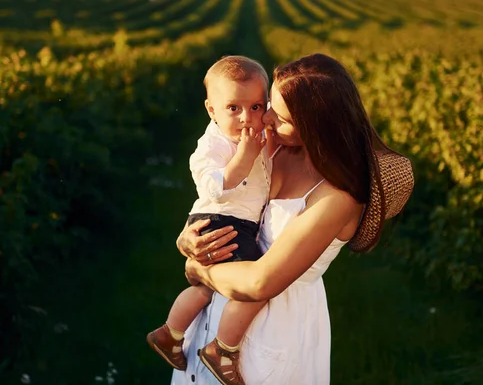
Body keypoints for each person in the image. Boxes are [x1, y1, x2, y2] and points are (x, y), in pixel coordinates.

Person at [170, 53, 415, 385]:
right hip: (216, 313)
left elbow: (261, 282)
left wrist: (198, 268)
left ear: (316, 127)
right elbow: (224, 202)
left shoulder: (336, 197)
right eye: (268, 105)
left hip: (275, 327)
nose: (266, 118)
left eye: (280, 116)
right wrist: (188, 239)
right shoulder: (275, 150)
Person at [147, 56, 273, 383]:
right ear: (211, 110)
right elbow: (213, 186)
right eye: (234, 108)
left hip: (227, 220)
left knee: (205, 287)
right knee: (252, 286)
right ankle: (223, 349)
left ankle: (171, 334)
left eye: (257, 107)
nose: (247, 118)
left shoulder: (254, 136)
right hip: (222, 220)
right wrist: (243, 158)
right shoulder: (214, 144)